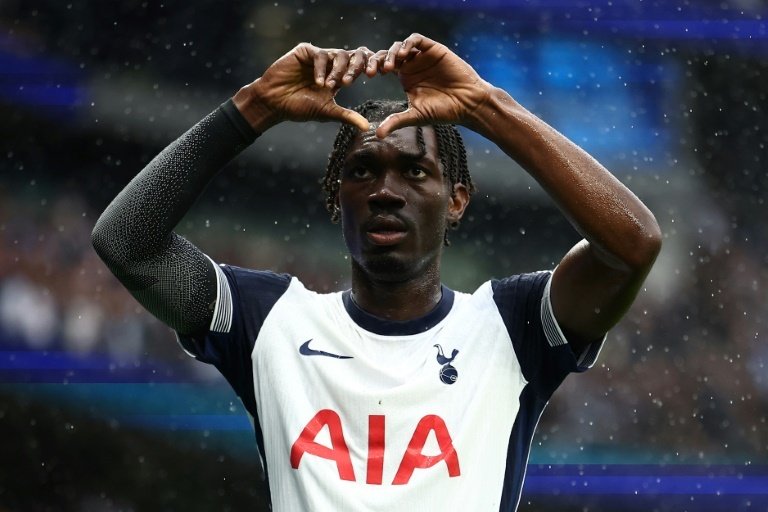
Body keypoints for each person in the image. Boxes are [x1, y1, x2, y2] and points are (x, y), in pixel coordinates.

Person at [92, 34, 661, 511]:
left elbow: (632, 245)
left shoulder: (511, 328)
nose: (386, 191)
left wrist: (486, 106)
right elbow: (126, 242)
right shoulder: (271, 321)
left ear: (457, 199)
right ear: (337, 199)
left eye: (414, 170)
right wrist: (255, 105)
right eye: (362, 170)